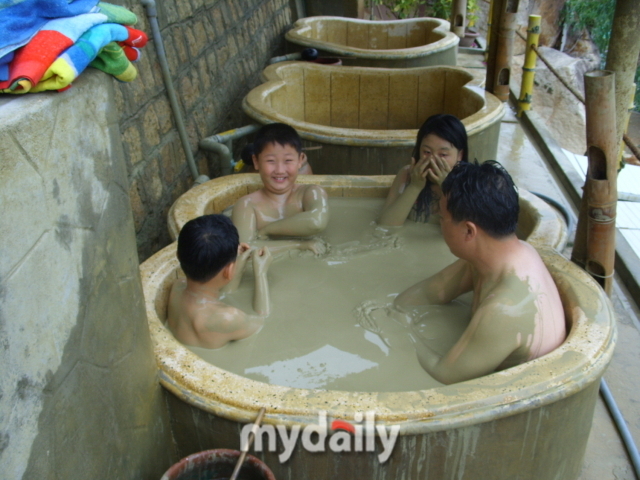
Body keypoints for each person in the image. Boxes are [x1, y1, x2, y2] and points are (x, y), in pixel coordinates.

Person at [394, 161, 566, 384]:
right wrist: (396, 311)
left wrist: (398, 333)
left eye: (442, 217)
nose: (438, 218)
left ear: (468, 230)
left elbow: (443, 375)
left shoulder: (505, 309)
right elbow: (429, 293)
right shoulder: (500, 257)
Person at [166, 214, 272, 349]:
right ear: (228, 271)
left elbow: (217, 292)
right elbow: (264, 321)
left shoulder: (177, 288)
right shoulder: (227, 318)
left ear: (178, 256)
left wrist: (233, 261)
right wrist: (261, 273)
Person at [232, 123, 329, 254]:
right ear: (256, 161)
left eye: (288, 160)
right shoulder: (246, 205)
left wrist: (267, 230)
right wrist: (299, 245)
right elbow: (245, 249)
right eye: (270, 161)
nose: (279, 170)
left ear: (300, 160)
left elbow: (316, 222)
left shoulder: (311, 192)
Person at [379, 114, 468, 226]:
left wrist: (448, 188)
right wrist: (415, 187)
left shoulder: (470, 184)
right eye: (427, 152)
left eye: (443, 154)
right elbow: (385, 226)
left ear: (460, 155)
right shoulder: (407, 175)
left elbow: (466, 233)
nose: (433, 160)